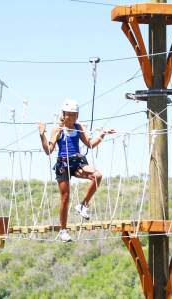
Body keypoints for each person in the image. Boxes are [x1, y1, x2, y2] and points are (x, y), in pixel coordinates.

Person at [38, 99, 116, 242]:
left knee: (97, 175)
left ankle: (83, 205)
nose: (72, 118)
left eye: (75, 115)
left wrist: (102, 134)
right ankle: (63, 231)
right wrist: (42, 135)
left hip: (77, 161)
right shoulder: (58, 130)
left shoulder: (78, 127)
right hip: (63, 164)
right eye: (70, 115)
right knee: (65, 198)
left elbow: (90, 144)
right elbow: (48, 150)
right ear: (64, 114)